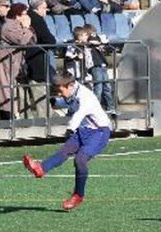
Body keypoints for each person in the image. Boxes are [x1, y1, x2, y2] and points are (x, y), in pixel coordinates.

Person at [21, 71, 113, 212]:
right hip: (84, 129)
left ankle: (78, 195)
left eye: (60, 91)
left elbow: (79, 113)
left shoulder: (85, 96)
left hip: (99, 131)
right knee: (64, 150)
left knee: (80, 159)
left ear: (70, 85)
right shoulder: (72, 91)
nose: (59, 94)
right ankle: (40, 169)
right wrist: (56, 102)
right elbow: (69, 102)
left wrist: (70, 129)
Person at [0, 3, 35, 119]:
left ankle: (11, 116)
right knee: (4, 92)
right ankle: (8, 119)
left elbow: (32, 40)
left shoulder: (18, 25)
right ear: (17, 15)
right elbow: (21, 40)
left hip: (12, 63)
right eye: (24, 14)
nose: (27, 17)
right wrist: (27, 28)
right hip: (2, 63)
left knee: (9, 90)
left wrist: (27, 29)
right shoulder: (7, 25)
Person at [65, 25, 115, 112]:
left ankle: (109, 107)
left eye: (87, 35)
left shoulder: (90, 44)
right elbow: (68, 55)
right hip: (77, 73)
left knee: (106, 87)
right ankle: (86, 109)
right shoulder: (76, 45)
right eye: (85, 35)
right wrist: (77, 56)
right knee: (95, 88)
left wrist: (100, 44)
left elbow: (103, 42)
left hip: (85, 72)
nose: (87, 37)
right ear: (79, 36)